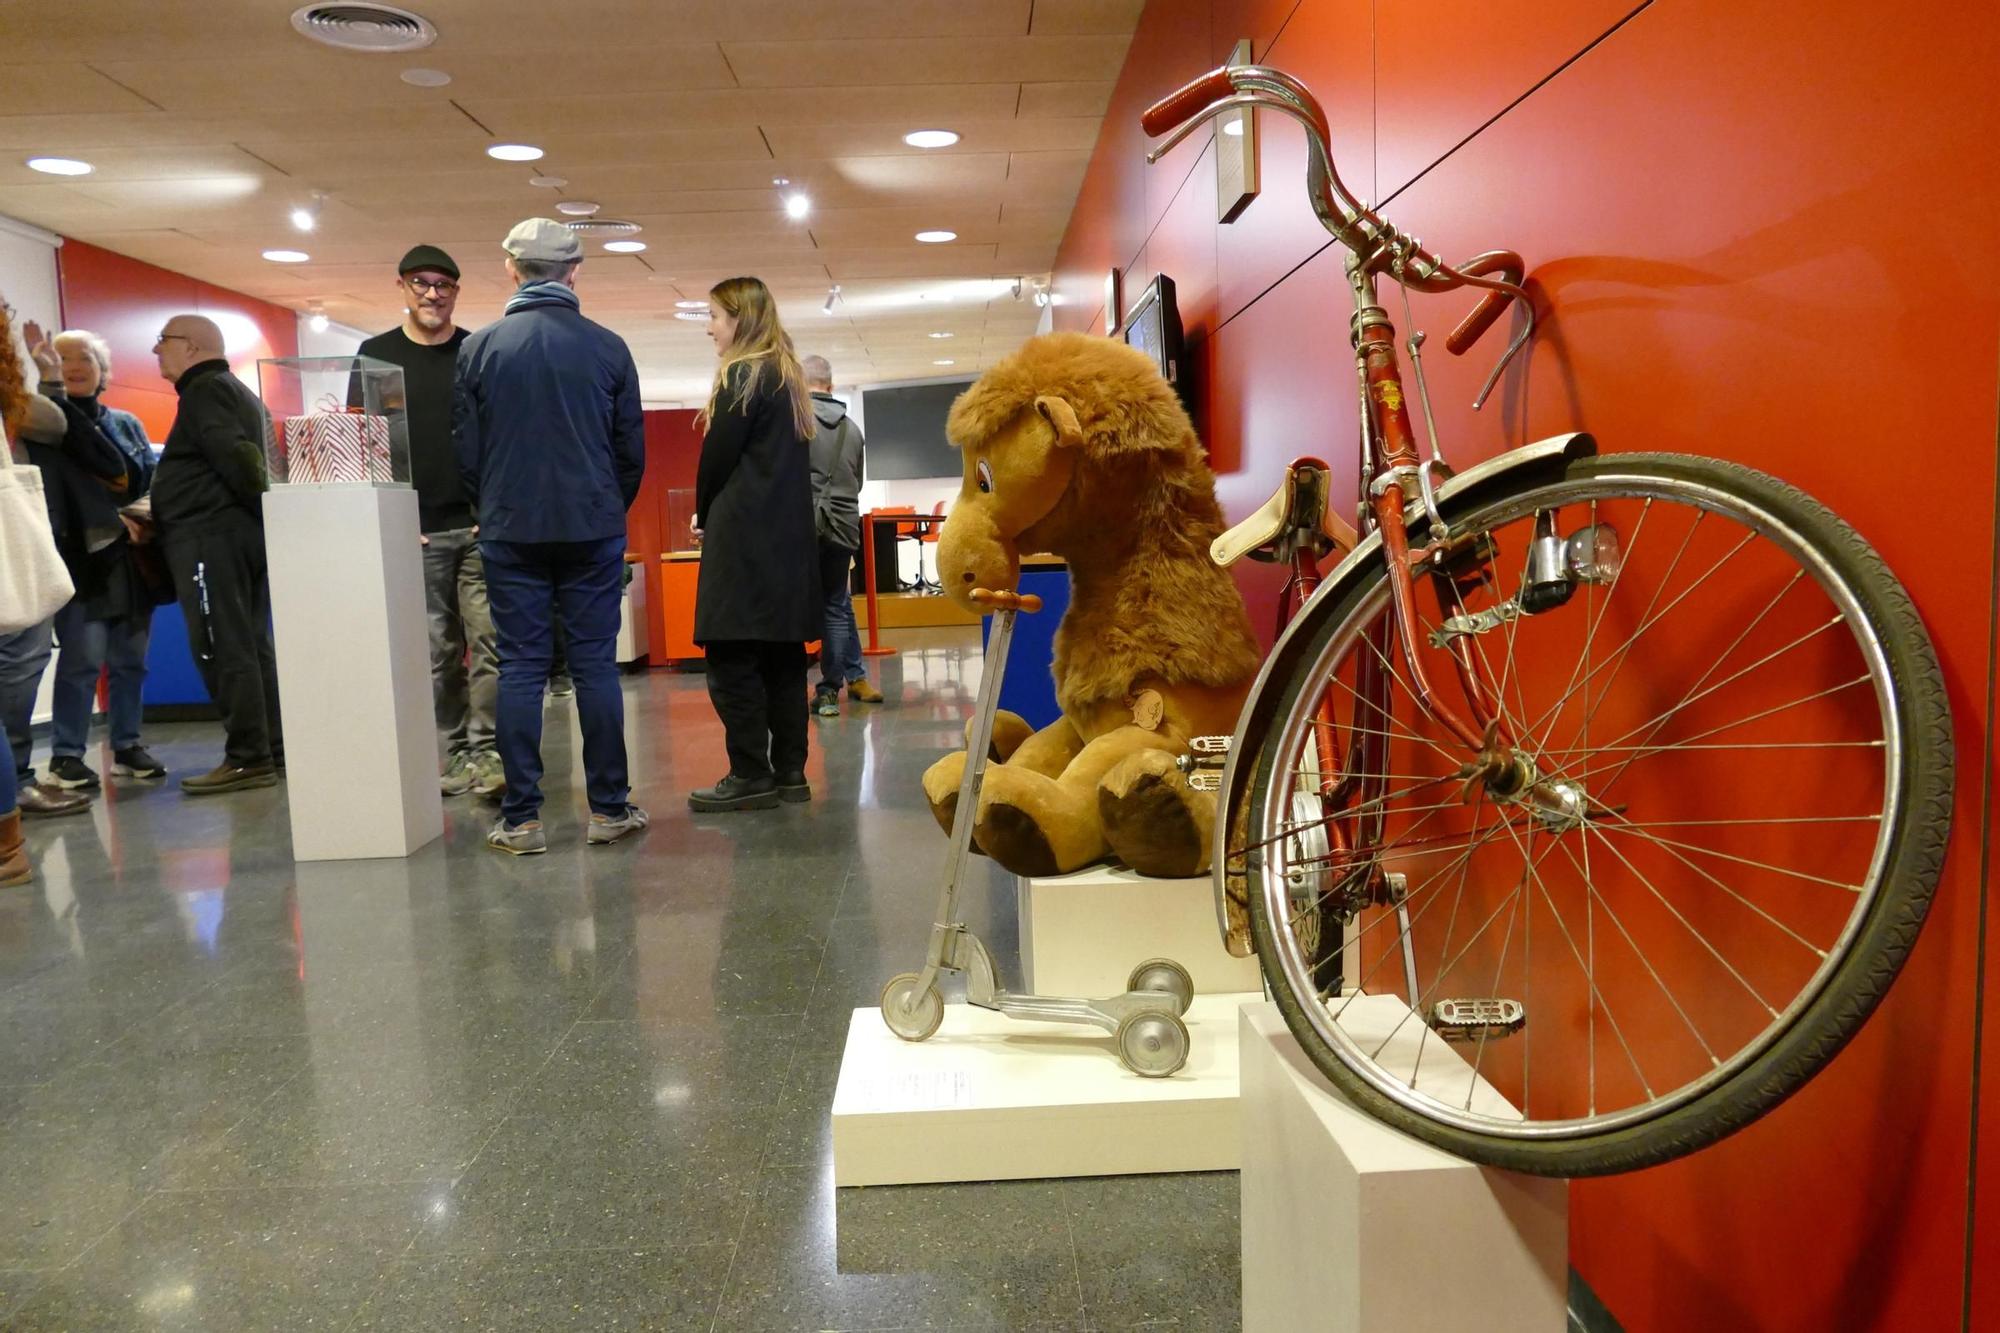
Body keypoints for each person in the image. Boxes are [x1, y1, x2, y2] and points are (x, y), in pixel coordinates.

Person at [454, 217, 648, 854]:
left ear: (511, 269)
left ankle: (523, 818)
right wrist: (603, 507)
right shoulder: (609, 348)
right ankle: (610, 810)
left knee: (520, 667)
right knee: (594, 666)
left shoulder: (480, 349)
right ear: (575, 273)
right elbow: (630, 454)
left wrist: (496, 506)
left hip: (512, 529)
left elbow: (467, 453)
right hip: (591, 528)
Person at [357, 245, 502, 799]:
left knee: (490, 643)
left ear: (457, 291)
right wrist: (393, 515)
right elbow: (365, 443)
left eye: (444, 284)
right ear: (403, 287)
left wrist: (489, 515)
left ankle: (486, 747)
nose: (433, 293)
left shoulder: (476, 352)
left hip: (476, 529)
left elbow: (499, 440)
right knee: (438, 652)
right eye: (422, 282)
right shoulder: (377, 356)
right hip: (414, 530)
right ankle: (459, 748)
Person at [689, 276, 821, 812]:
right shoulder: (789, 378)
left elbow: (717, 459)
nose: (709, 328)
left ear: (738, 319)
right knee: (784, 657)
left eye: (715, 317)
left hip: (740, 540)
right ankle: (791, 770)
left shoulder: (740, 374)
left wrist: (702, 511)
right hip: (787, 541)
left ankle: (749, 773)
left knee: (731, 656)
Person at [21, 325, 164, 790]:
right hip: (82, 561)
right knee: (82, 661)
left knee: (131, 660)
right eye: (62, 358)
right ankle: (66, 756)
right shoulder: (44, 424)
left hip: (134, 559)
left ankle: (127, 744)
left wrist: (137, 518)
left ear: (104, 370)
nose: (75, 365)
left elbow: (149, 483)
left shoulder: (125, 423)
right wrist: (50, 384)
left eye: (85, 357)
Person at [152, 314, 284, 794]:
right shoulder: (237, 392)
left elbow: (239, 459)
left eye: (163, 341)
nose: (155, 351)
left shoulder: (205, 392)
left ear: (191, 346)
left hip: (211, 540)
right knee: (250, 644)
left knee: (220, 644)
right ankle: (270, 748)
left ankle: (249, 757)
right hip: (238, 537)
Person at [0, 299, 92, 826]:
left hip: (18, 544)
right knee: (20, 659)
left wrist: (47, 376)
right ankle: (13, 784)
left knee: (23, 659)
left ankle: (15, 782)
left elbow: (53, 422)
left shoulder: (11, 399)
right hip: (16, 547)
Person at [801, 355, 882, 718]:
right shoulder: (854, 430)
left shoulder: (796, 424)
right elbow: (858, 482)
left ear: (800, 387)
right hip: (844, 527)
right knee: (836, 606)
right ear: (831, 387)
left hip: (802, 526)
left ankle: (790, 688)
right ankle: (831, 690)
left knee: (791, 607)